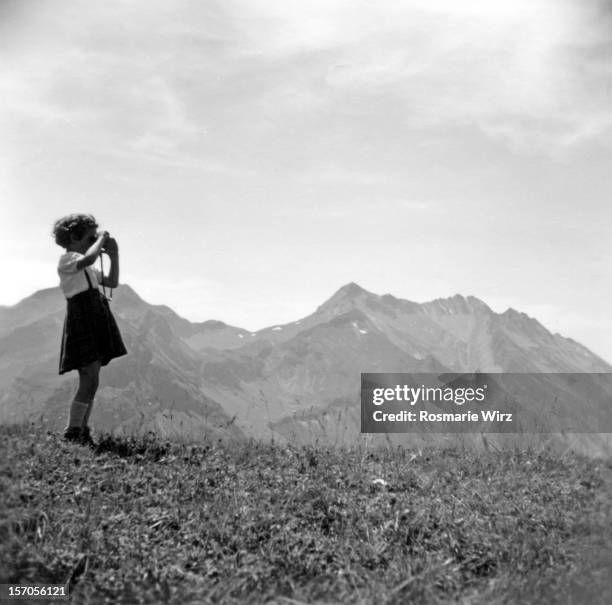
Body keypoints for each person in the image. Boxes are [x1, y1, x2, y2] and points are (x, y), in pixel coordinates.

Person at [52, 214, 128, 446]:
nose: (94, 240)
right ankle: (73, 431)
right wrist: (103, 238)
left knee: (92, 378)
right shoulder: (67, 260)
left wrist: (114, 256)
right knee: (88, 377)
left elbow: (112, 282)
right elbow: (88, 258)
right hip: (83, 320)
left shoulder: (85, 268)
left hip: (94, 318)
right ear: (74, 237)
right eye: (90, 236)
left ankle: (81, 429)